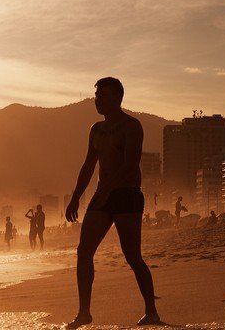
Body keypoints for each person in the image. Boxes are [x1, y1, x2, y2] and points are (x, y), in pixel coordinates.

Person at [64, 77, 160, 327]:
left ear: (118, 97)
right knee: (84, 251)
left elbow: (130, 163)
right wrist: (75, 197)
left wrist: (108, 189)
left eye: (103, 95)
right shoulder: (96, 130)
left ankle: (152, 312)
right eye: (97, 95)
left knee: (132, 256)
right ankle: (84, 312)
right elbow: (88, 166)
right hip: (102, 195)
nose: (98, 100)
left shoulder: (131, 126)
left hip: (127, 194)